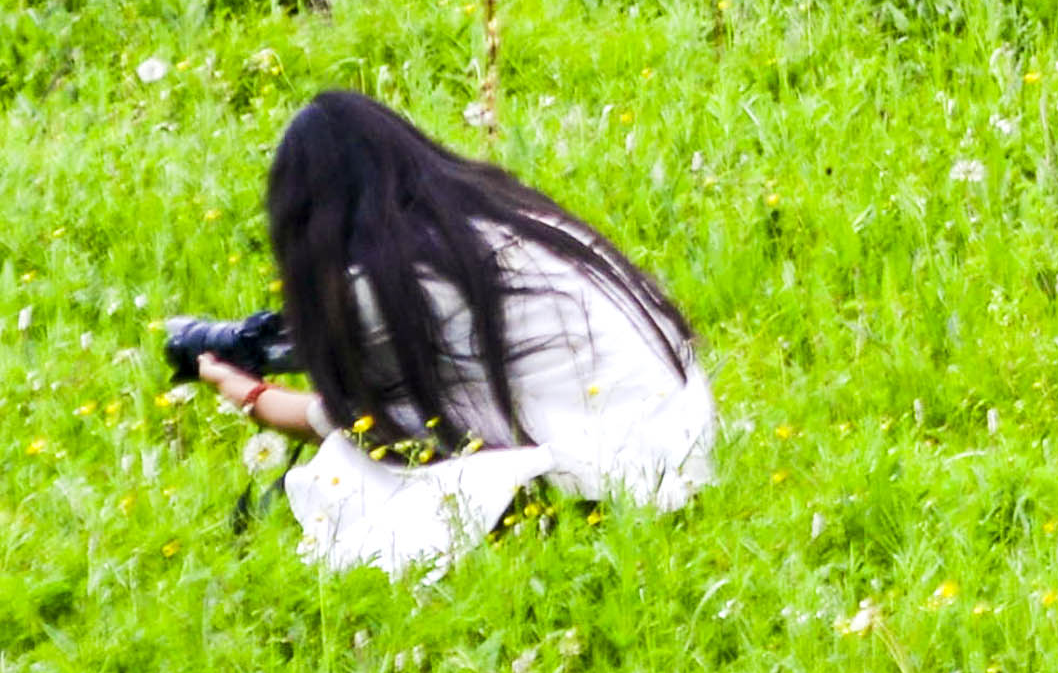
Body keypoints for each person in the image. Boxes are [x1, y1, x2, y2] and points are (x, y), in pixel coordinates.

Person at [180, 89, 717, 578]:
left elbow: (379, 430)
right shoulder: (489, 220)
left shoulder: (397, 280)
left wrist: (246, 392)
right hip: (682, 436)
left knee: (351, 479)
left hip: (630, 473)